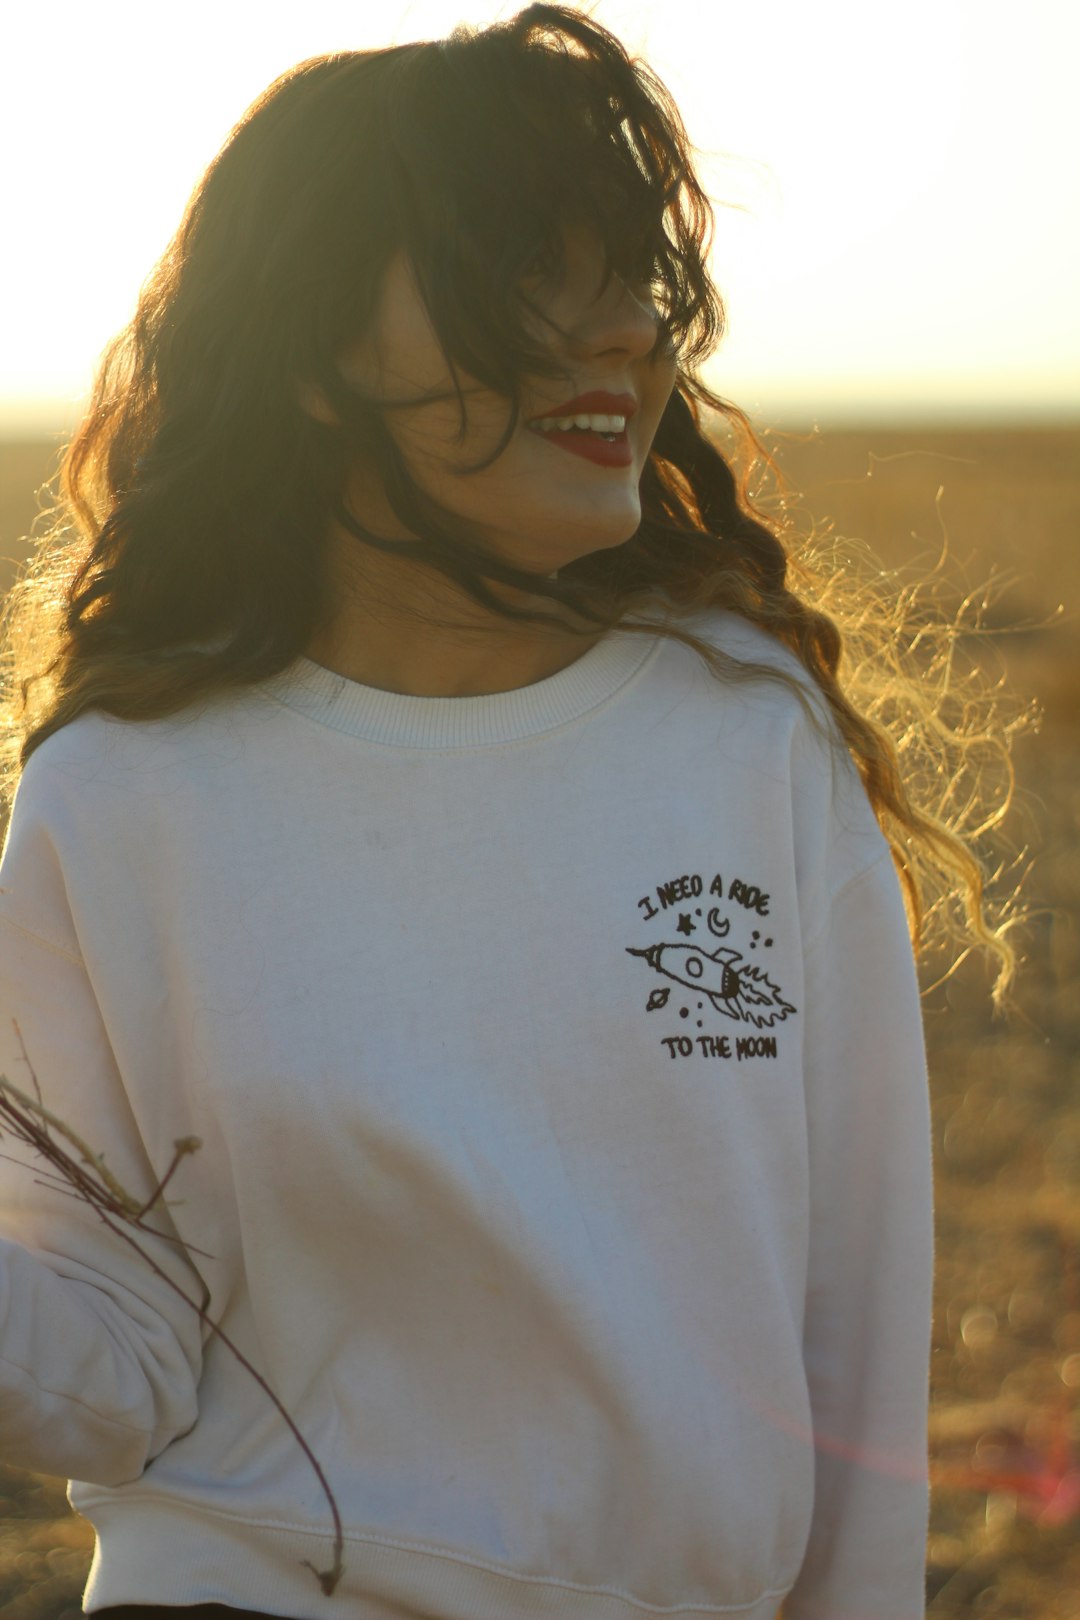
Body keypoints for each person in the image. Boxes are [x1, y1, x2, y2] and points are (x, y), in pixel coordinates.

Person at [0, 6, 1018, 1619]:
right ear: (319, 341)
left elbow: (859, 1329)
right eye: (533, 266)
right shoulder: (128, 794)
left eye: (630, 271)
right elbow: (109, 1361)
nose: (622, 330)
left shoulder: (747, 741)